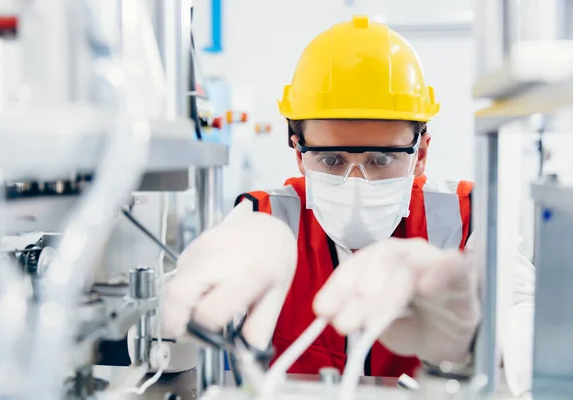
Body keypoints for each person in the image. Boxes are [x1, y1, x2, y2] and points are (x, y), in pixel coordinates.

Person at [162, 16, 535, 394]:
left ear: (420, 153)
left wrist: (474, 342)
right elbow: (175, 352)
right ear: (298, 152)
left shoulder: (467, 217)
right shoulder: (266, 221)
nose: (357, 182)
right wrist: (186, 308)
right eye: (331, 160)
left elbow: (539, 327)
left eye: (381, 159)